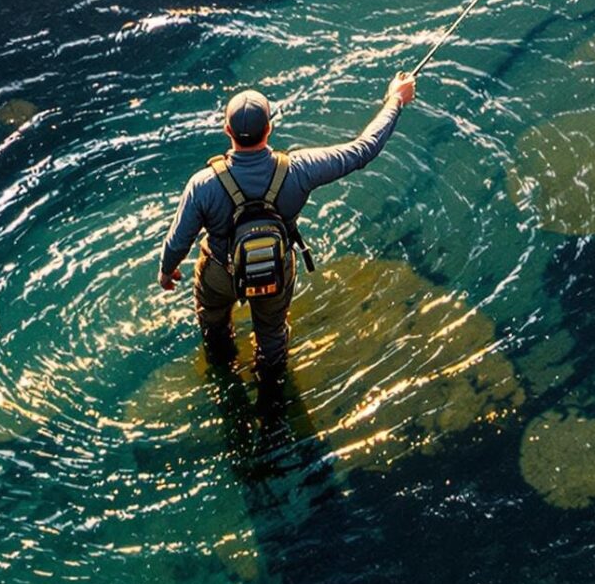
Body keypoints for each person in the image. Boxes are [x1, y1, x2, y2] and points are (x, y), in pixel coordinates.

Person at [157, 72, 416, 379]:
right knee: (272, 337)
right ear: (269, 127)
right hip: (274, 270)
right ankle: (271, 404)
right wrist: (395, 99)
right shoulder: (300, 169)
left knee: (213, 325)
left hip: (220, 272)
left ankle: (223, 373)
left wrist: (166, 270)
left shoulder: (203, 184)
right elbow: (363, 149)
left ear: (227, 130)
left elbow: (177, 241)